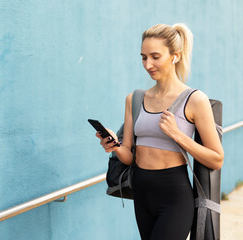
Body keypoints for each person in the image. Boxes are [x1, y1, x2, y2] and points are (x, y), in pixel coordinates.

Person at [95, 23, 224, 240]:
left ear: (175, 56)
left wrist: (177, 135)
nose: (148, 64)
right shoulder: (134, 99)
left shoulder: (194, 100)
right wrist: (114, 145)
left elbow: (216, 159)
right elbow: (128, 157)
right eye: (144, 57)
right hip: (142, 193)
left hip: (174, 195)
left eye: (155, 56)